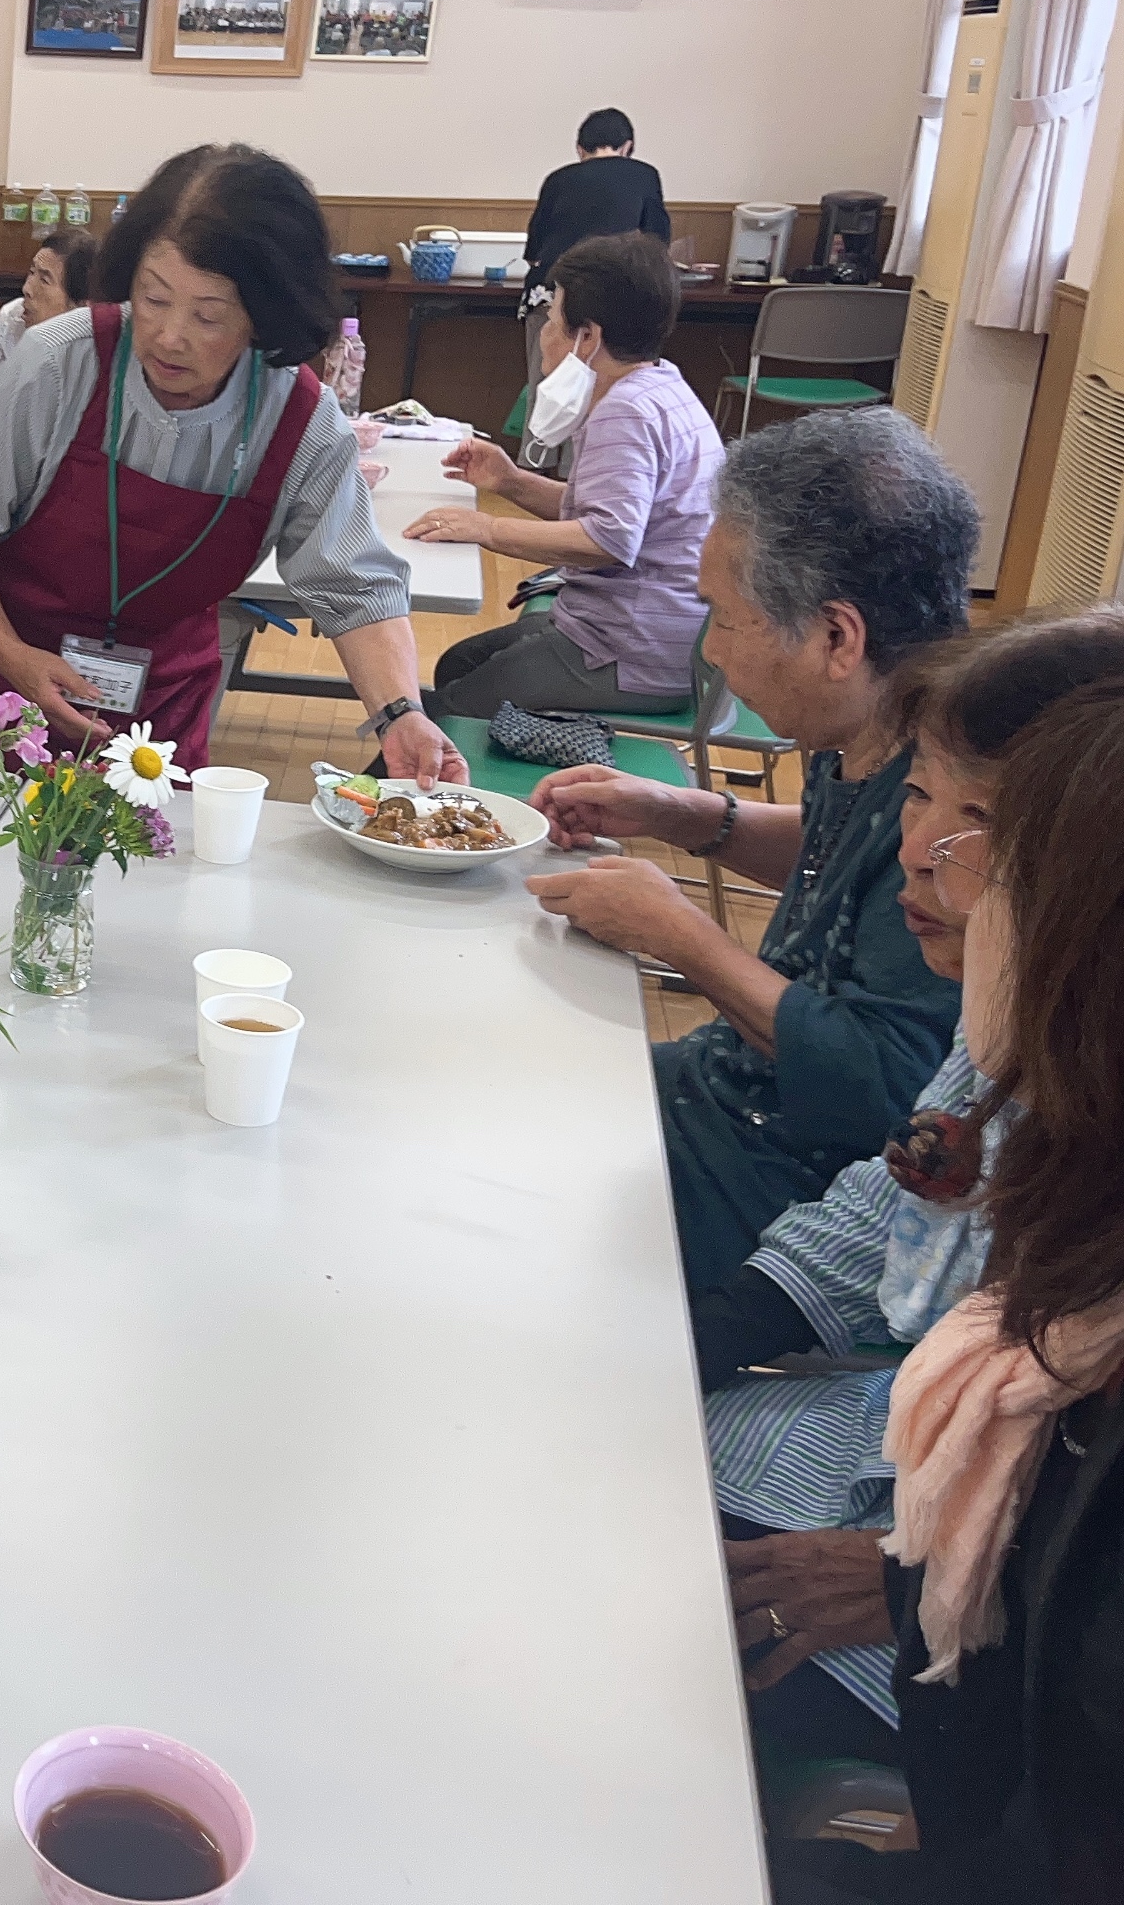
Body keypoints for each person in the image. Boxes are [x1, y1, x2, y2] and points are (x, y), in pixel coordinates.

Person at [698, 610, 1124, 1778]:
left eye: (974, 822)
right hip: (894, 1454)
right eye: (921, 796)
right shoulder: (1016, 1030)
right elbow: (881, 1210)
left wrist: (901, 1575)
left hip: (1006, 1627)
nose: (919, 849)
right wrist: (708, 1332)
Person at [528, 409, 977, 1293]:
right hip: (728, 1090)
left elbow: (886, 1090)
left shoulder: (956, 813)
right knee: (521, 1080)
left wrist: (685, 937)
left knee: (513, 1210)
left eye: (725, 619)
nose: (713, 651)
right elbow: (835, 852)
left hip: (792, 1181)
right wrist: (687, 815)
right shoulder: (872, 723)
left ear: (836, 638)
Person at [0, 142, 451, 781]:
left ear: (264, 315)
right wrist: (11, 654)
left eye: (209, 315)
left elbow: (355, 586)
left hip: (154, 722)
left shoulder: (299, 421)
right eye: (154, 298)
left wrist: (400, 714)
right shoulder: (62, 361)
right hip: (1, 685)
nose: (170, 337)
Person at [410, 231, 726, 719]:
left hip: (634, 650)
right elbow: (614, 515)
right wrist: (511, 482)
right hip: (652, 633)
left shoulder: (625, 412)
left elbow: (609, 540)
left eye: (553, 321)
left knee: (451, 709)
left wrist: (485, 528)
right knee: (458, 665)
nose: (544, 335)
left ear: (588, 337)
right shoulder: (662, 385)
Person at [519, 108, 671, 410]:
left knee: (546, 390)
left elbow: (534, 248)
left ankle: (534, 456)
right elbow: (657, 243)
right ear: (627, 146)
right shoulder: (644, 175)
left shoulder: (558, 179)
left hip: (552, 295)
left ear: (580, 149)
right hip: (615, 300)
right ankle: (590, 456)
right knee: (600, 393)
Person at [0, 228, 95, 388]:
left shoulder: (94, 347)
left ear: (80, 304)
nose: (27, 288)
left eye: (44, 280)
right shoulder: (15, 315)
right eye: (31, 272)